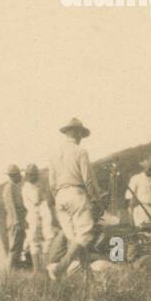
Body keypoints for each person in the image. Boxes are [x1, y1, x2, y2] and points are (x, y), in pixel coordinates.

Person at [48, 117, 104, 280]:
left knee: (74, 239)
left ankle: (88, 277)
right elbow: (88, 179)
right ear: (77, 133)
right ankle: (60, 268)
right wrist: (96, 199)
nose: (81, 137)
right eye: (80, 134)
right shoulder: (80, 152)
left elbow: (51, 183)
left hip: (59, 196)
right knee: (85, 236)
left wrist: (57, 199)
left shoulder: (54, 154)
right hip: (76, 193)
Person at [21, 163, 55, 272]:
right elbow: (36, 200)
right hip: (34, 216)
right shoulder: (27, 187)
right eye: (32, 175)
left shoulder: (33, 186)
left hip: (39, 214)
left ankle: (45, 267)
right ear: (28, 175)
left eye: (35, 174)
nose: (35, 177)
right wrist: (42, 193)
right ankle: (37, 269)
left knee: (46, 240)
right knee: (35, 242)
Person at [1, 164, 27, 270]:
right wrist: (16, 222)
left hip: (20, 221)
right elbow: (11, 207)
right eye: (18, 174)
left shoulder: (15, 187)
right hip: (15, 222)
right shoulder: (9, 188)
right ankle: (11, 270)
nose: (20, 176)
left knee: (19, 245)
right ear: (13, 176)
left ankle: (15, 267)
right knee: (15, 246)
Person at [126, 156, 151, 227]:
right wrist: (130, 216)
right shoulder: (136, 178)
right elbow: (130, 199)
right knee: (143, 234)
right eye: (149, 167)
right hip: (140, 210)